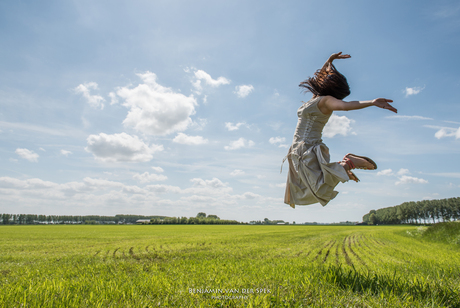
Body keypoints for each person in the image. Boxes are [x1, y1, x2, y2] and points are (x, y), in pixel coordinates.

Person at [284, 52, 397, 208]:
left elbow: (347, 106)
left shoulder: (326, 101)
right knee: (305, 188)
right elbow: (320, 77)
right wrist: (330, 60)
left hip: (306, 148)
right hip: (299, 148)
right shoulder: (317, 98)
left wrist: (372, 102)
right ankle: (341, 168)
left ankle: (347, 164)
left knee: (319, 190)